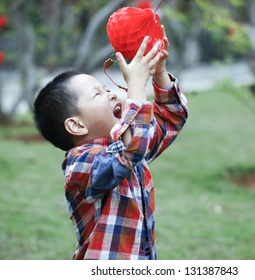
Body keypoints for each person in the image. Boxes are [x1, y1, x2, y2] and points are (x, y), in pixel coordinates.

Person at [33, 31, 188, 260]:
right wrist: (136, 86)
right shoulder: (80, 164)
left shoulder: (130, 142)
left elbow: (171, 120)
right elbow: (130, 151)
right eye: (98, 94)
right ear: (76, 125)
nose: (111, 95)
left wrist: (160, 74)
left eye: (106, 89)